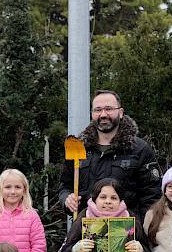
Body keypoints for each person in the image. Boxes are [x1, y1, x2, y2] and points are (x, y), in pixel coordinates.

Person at [58, 90, 160, 218]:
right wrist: (66, 199)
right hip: (85, 232)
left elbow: (152, 197)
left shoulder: (140, 150)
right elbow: (65, 186)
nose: (103, 114)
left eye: (109, 109)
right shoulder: (78, 148)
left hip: (127, 232)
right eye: (98, 110)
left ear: (121, 112)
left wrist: (139, 229)